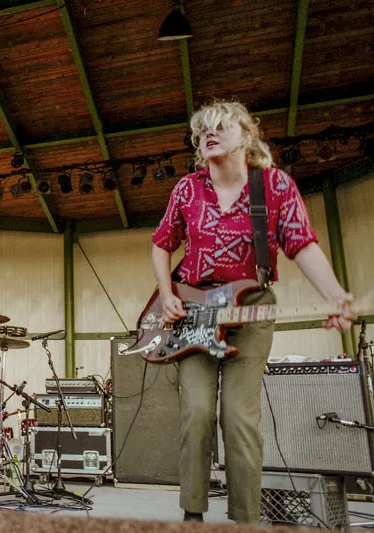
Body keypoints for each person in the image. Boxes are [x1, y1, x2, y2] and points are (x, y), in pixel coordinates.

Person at [150, 100, 354, 523]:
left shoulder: (273, 186)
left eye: (221, 127)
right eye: (202, 129)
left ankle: (245, 520)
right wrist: (166, 293)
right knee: (198, 412)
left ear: (246, 136)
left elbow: (302, 244)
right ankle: (192, 516)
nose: (209, 134)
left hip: (251, 309)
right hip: (194, 311)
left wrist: (336, 296)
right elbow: (161, 242)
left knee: (239, 417)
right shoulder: (187, 189)